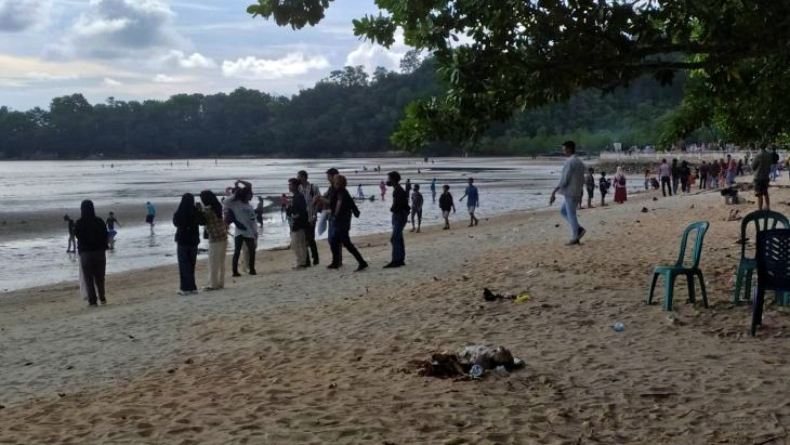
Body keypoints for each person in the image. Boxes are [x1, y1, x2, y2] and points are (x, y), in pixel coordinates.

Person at [328, 174, 367, 271]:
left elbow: (339, 203)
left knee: (346, 243)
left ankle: (362, 262)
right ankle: (335, 262)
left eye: (335, 179)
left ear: (339, 182)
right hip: (341, 221)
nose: (333, 180)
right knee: (334, 242)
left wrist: (335, 215)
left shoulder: (341, 192)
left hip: (341, 222)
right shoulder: (342, 191)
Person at [550, 141, 586, 245]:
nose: (563, 152)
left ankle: (575, 237)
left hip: (571, 192)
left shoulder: (570, 162)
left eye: (564, 149)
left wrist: (554, 191)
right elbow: (582, 178)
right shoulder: (579, 161)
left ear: (569, 149)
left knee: (571, 214)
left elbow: (564, 179)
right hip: (577, 191)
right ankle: (578, 229)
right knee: (563, 211)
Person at [74, 200, 108, 306]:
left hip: (86, 253)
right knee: (100, 277)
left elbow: (77, 235)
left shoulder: (79, 222)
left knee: (88, 278)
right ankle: (102, 297)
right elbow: (105, 235)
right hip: (99, 252)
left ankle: (92, 300)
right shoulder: (99, 221)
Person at [225, 180, 258, 276]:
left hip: (249, 232)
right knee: (237, 251)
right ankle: (235, 271)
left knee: (252, 250)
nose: (251, 196)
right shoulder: (235, 204)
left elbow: (253, 221)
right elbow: (226, 201)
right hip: (239, 232)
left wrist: (255, 231)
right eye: (250, 194)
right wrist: (234, 195)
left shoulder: (250, 207)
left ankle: (252, 269)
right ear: (246, 195)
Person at [173, 193, 202, 296]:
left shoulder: (180, 211)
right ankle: (193, 287)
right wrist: (199, 210)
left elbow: (175, 223)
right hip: (193, 241)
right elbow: (202, 221)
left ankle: (185, 288)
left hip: (182, 240)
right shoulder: (195, 211)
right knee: (191, 264)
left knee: (183, 265)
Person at [199, 190, 228, 291]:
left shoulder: (207, 209)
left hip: (215, 238)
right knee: (221, 261)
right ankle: (220, 283)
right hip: (223, 236)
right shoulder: (218, 206)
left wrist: (198, 209)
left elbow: (201, 221)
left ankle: (213, 284)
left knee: (213, 262)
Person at [385, 171, 409, 268]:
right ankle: (400, 259)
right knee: (398, 237)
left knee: (394, 238)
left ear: (393, 180)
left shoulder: (398, 190)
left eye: (389, 178)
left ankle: (396, 260)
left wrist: (393, 209)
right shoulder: (397, 189)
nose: (388, 180)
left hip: (399, 215)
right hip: (399, 215)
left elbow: (400, 205)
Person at [298, 170, 321, 266]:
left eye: (299, 176)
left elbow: (319, 200)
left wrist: (315, 214)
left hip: (311, 215)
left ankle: (315, 258)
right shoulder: (298, 188)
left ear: (303, 177)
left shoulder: (313, 187)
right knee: (303, 238)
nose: (298, 178)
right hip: (302, 216)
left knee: (311, 238)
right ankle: (307, 260)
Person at [287, 178, 310, 270]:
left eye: (290, 185)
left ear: (295, 186)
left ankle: (301, 263)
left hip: (298, 223)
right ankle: (303, 262)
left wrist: (295, 219)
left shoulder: (298, 196)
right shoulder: (298, 196)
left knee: (296, 244)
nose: (289, 187)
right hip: (301, 223)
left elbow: (299, 211)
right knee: (301, 243)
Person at [752, 145, 774, 210]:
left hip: (759, 177)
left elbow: (753, 166)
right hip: (766, 176)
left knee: (759, 194)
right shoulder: (769, 155)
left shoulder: (758, 155)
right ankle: (767, 207)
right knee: (766, 192)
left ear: (759, 147)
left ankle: (760, 209)